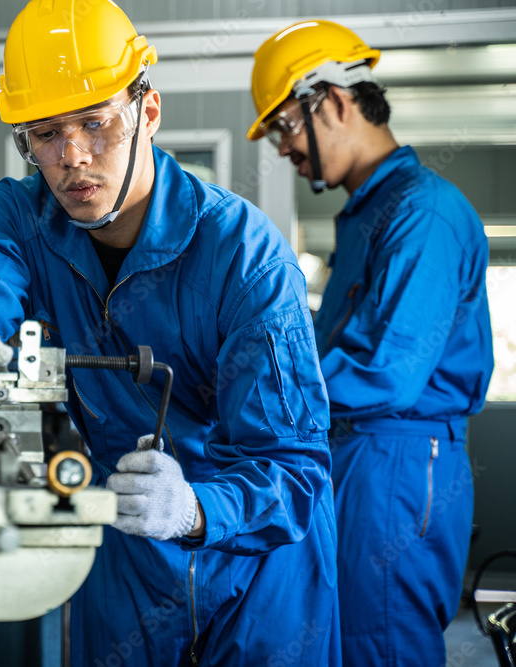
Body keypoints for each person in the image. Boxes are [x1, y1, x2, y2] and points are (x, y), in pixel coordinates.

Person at [0, 1, 340, 664]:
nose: (71, 157)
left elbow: (294, 468)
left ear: (147, 113)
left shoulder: (243, 255)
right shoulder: (18, 217)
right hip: (122, 556)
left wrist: (194, 508)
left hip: (254, 564)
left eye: (95, 123)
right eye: (43, 133)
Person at [247, 20, 494, 666]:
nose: (282, 149)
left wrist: (259, 389)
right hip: (359, 455)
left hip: (397, 462)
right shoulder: (367, 216)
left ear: (331, 100)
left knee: (379, 642)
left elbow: (389, 371)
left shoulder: (424, 213)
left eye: (284, 127)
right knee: (346, 637)